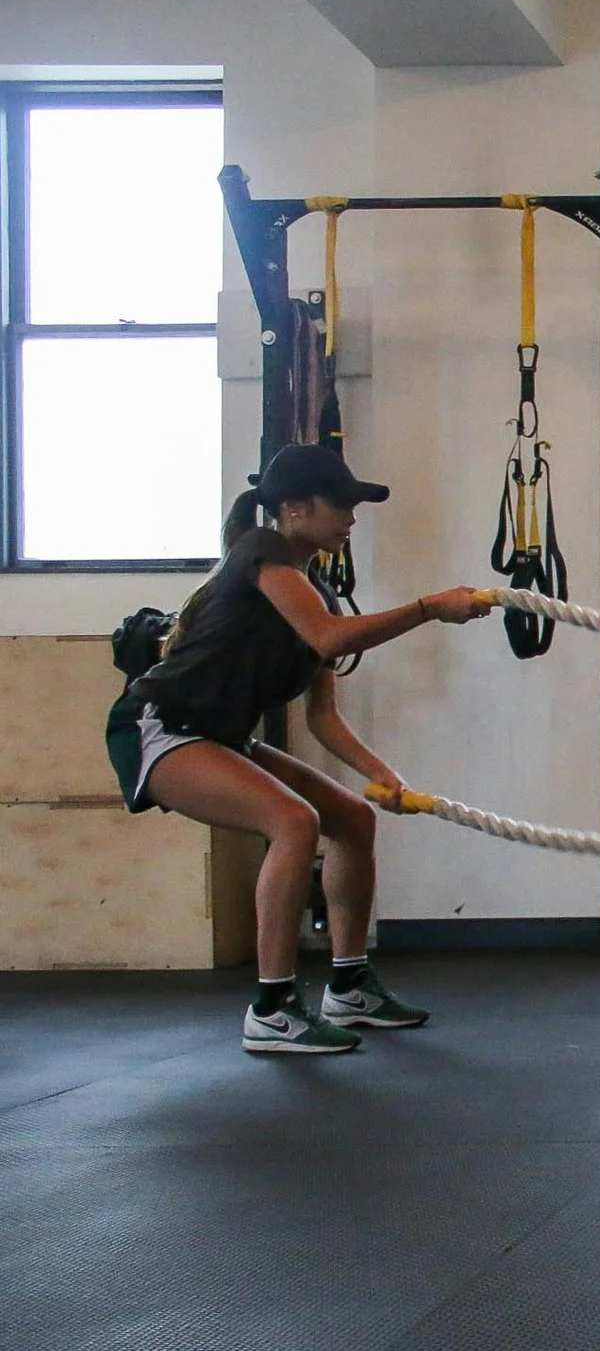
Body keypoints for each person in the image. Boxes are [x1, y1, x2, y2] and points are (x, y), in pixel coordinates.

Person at [104, 443, 493, 1055]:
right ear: (292, 508)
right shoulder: (261, 554)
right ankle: (272, 1007)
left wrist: (381, 773)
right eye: (339, 505)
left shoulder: (317, 591)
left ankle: (349, 984)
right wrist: (426, 609)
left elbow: (323, 718)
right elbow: (327, 638)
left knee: (353, 817)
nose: (351, 517)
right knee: (293, 821)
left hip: (222, 736)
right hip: (161, 727)